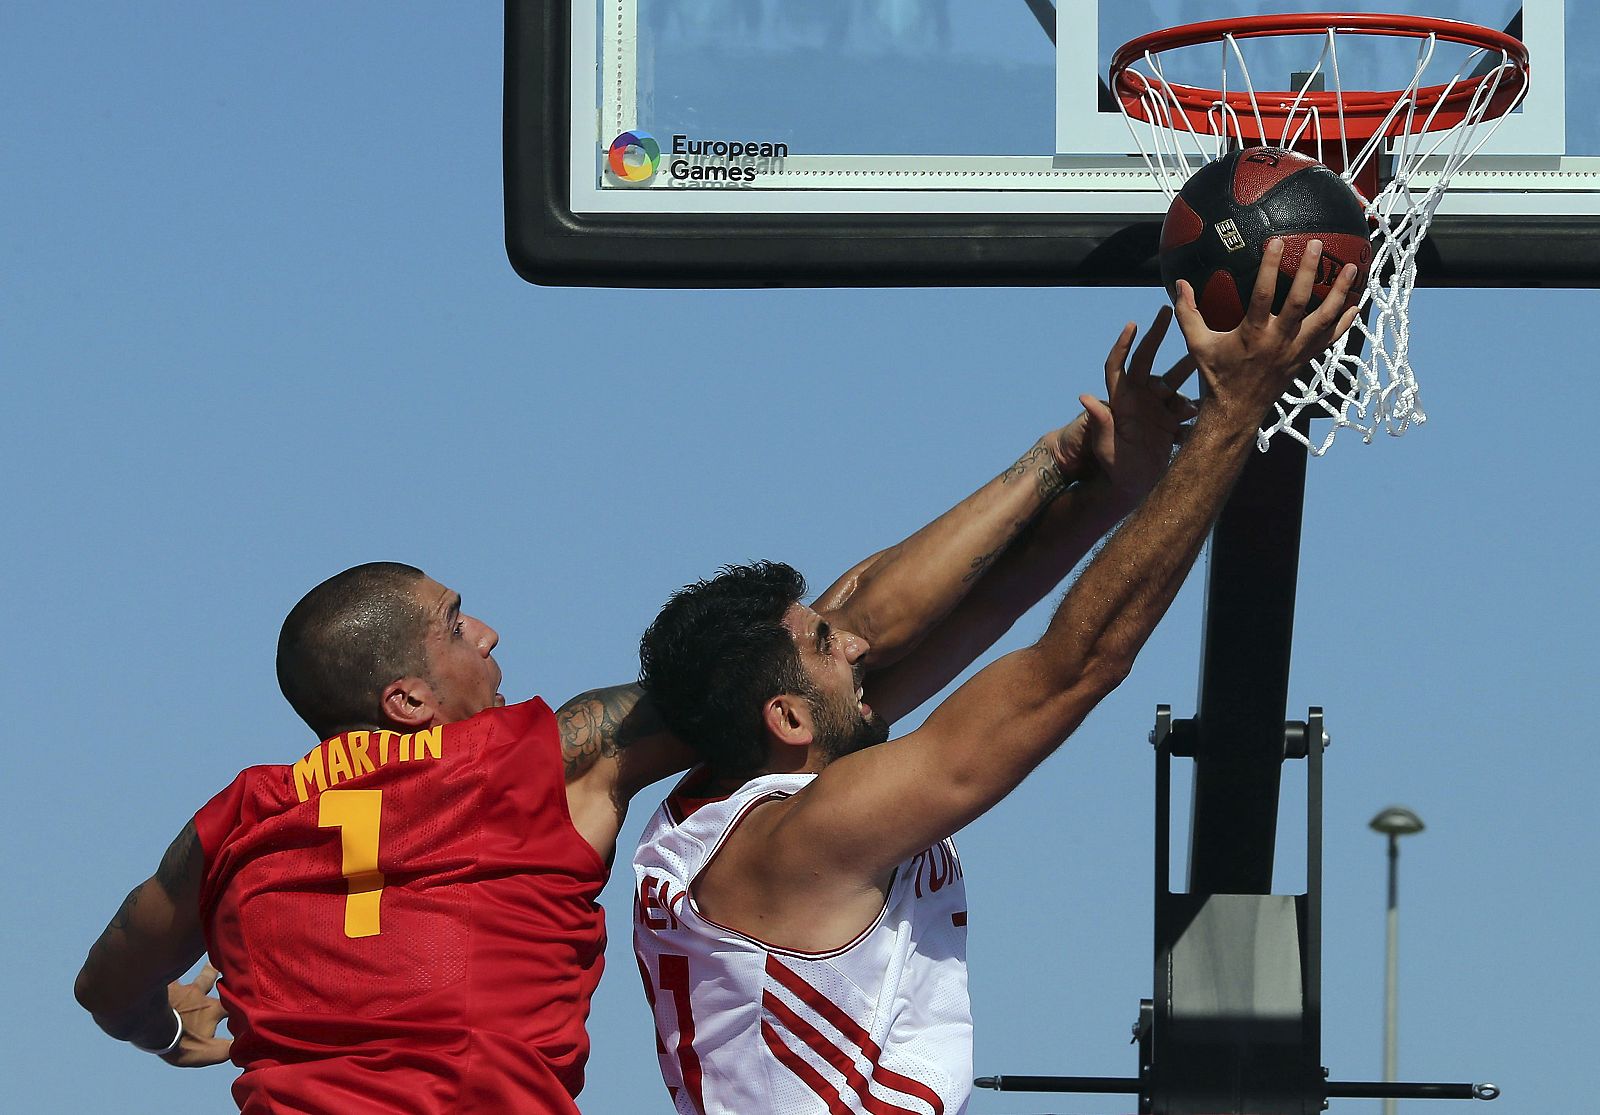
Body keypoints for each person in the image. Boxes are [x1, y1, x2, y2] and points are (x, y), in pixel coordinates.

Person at [71, 301, 1192, 1114]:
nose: (490, 633)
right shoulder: (525, 766)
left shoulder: (234, 825)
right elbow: (823, 642)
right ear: (405, 698)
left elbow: (106, 975)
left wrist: (165, 1025)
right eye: (457, 621)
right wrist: (1057, 466)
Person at [633, 242, 1360, 1115]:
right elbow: (1074, 668)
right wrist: (1232, 416)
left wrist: (1102, 478)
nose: (860, 647)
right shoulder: (806, 836)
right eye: (830, 644)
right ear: (787, 716)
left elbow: (974, 610)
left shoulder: (720, 803)